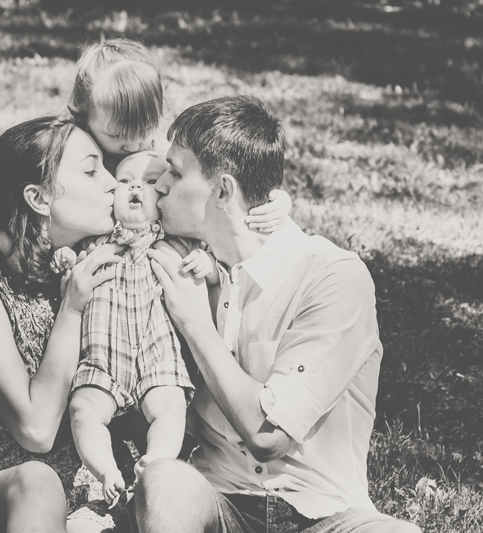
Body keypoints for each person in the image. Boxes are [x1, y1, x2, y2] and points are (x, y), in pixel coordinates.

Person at [135, 95, 422, 533]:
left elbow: (270, 435)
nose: (158, 185)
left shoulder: (332, 276)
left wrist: (195, 324)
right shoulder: (179, 265)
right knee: (164, 483)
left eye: (175, 172)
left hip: (322, 515)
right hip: (218, 504)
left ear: (223, 191)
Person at [0, 115, 134, 533]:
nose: (112, 183)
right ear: (38, 198)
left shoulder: (100, 269)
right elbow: (36, 429)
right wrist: (72, 310)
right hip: (5, 494)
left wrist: (268, 214)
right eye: (92, 171)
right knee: (39, 482)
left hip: (102, 493)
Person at [51, 151, 217, 504]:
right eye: (124, 181)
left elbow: (214, 260)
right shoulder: (95, 241)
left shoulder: (177, 241)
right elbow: (72, 280)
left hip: (158, 352)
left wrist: (207, 263)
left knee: (171, 406)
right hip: (102, 355)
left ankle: (154, 461)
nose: (136, 187)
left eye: (150, 181)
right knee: (84, 409)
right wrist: (66, 262)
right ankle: (106, 470)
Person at [66, 38, 290, 235]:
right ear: (82, 117)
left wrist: (276, 200)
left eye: (145, 130)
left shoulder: (158, 152)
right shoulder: (77, 158)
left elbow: (217, 180)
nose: (134, 145)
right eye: (116, 135)